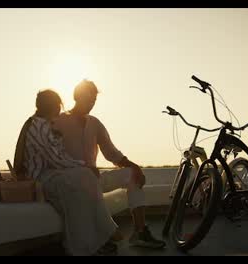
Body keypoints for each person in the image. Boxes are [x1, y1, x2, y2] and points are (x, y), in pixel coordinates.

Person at [53, 80, 166, 249]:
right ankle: (103, 236)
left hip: (95, 179)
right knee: (86, 184)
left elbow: (111, 153)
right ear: (77, 97)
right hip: (73, 182)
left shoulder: (95, 123)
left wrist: (134, 166)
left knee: (132, 174)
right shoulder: (59, 121)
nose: (91, 104)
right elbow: (53, 155)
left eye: (93, 101)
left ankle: (140, 233)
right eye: (87, 99)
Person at [13, 89, 119, 256]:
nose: (59, 109)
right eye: (57, 105)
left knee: (82, 187)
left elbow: (59, 158)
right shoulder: (39, 127)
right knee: (85, 177)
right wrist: (85, 166)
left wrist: (83, 168)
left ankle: (86, 245)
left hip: (52, 175)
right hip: (40, 181)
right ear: (52, 106)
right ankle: (103, 231)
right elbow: (57, 159)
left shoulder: (45, 125)